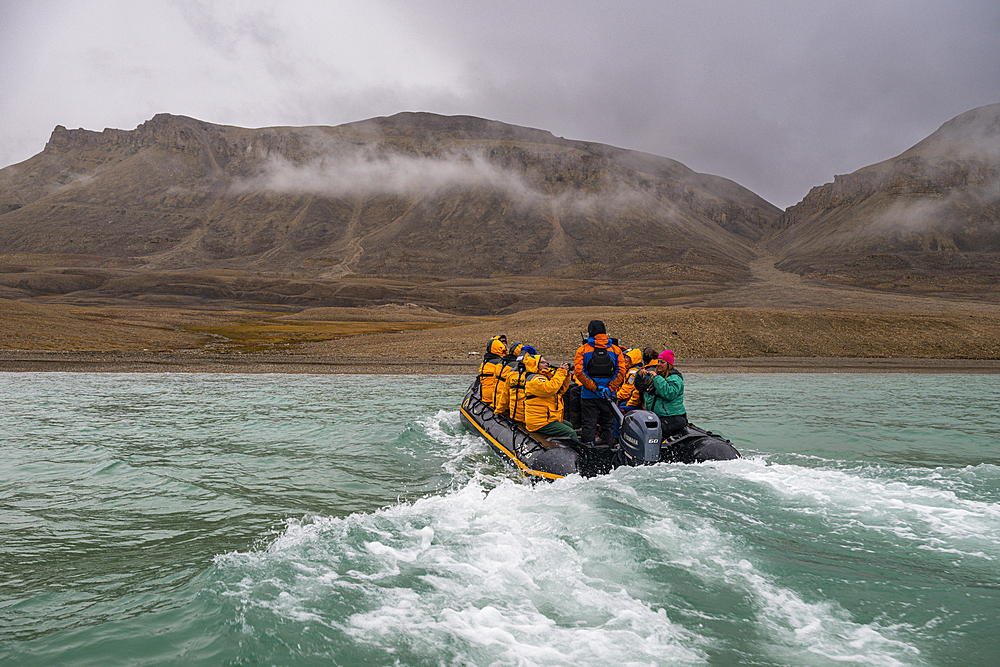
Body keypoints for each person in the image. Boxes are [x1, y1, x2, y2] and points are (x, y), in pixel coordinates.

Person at [573, 319, 624, 445]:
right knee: (608, 423)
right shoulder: (616, 350)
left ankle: (588, 450)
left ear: (590, 332)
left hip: (589, 394)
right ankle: (609, 448)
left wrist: (594, 388)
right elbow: (621, 371)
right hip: (609, 394)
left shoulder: (583, 350)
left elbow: (579, 372)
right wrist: (610, 388)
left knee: (589, 423)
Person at [638, 349, 688, 439]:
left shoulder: (675, 378)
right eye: (658, 362)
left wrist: (656, 378)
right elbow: (641, 388)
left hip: (673, 417)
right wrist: (639, 377)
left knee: (650, 431)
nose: (659, 364)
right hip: (657, 416)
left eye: (662, 362)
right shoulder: (659, 376)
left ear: (668, 364)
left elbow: (668, 394)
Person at [523, 355, 576, 439]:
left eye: (545, 362)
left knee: (569, 425)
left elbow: (560, 390)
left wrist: (566, 376)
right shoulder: (535, 379)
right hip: (540, 421)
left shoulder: (544, 377)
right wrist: (561, 372)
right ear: (534, 365)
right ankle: (577, 452)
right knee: (570, 433)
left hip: (547, 417)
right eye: (542, 362)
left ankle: (563, 446)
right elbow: (550, 389)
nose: (546, 364)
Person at [477, 335, 507, 406]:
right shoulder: (500, 363)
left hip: (485, 397)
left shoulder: (486, 362)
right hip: (494, 398)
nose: (505, 345)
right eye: (502, 343)